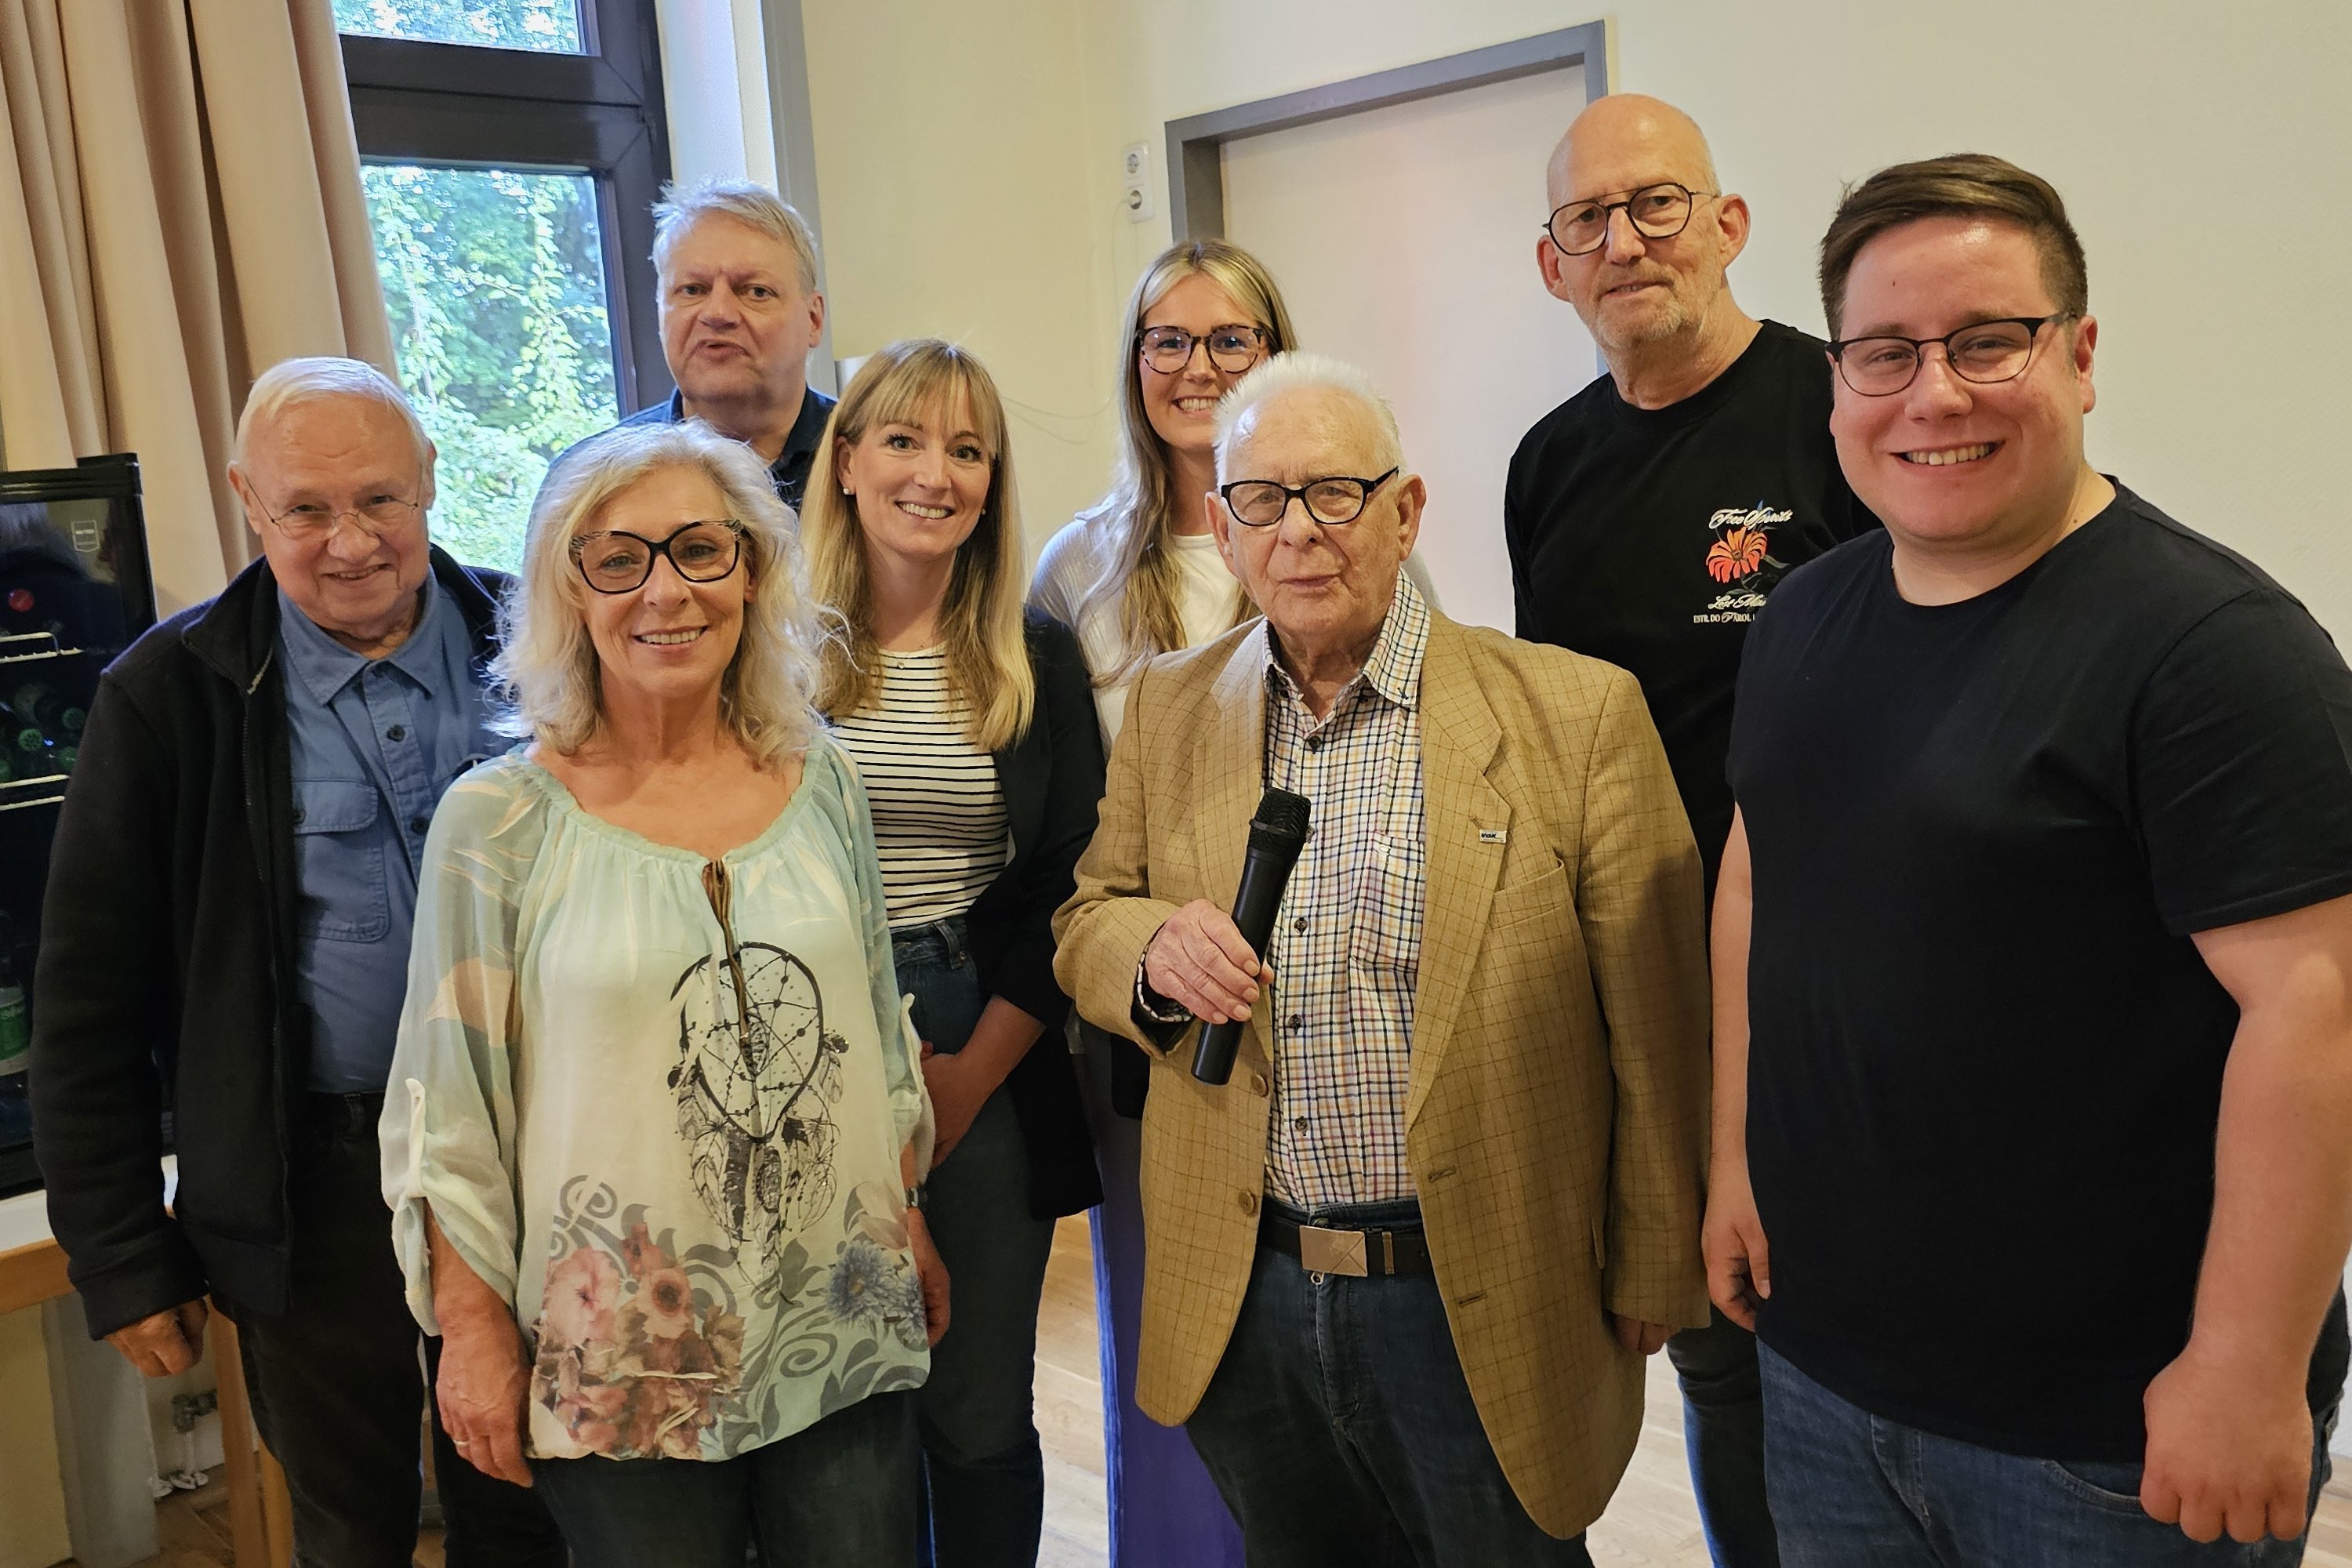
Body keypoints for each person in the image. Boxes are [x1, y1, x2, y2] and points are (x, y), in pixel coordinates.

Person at [1706, 154, 2352, 1566]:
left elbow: (2316, 1016)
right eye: (1885, 353)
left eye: (1988, 340)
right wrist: (1732, 1158)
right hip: (1826, 1373)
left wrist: (2246, 1369)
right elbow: (1760, 879)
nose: (1936, 394)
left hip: (2107, 1433)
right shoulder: (1803, 620)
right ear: (1837, 386)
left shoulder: (2215, 653)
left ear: (2082, 353)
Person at [1054, 351, 1711, 1564]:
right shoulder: (1166, 707)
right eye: (1262, 499)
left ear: (1406, 510)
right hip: (1246, 1288)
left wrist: (1655, 1262)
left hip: (1474, 1290)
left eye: (1336, 492)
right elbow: (1087, 918)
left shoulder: (1575, 715)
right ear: (1223, 526)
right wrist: (1152, 951)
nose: (1300, 531)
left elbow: (1658, 1026)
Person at [379, 419, 948, 1568]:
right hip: (624, 1354)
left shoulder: (820, 770)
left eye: (701, 549)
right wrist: (473, 1331)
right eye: (619, 558)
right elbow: (450, 1110)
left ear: (752, 568)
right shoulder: (495, 824)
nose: (666, 592)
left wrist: (914, 1217)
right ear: (569, 590)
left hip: (837, 1309)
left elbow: (880, 1038)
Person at [29, 357, 564, 1566]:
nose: (350, 543)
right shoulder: (167, 697)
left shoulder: (541, 653)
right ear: (247, 503)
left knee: (532, 1509)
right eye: (306, 510)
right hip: (312, 1185)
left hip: (540, 1165)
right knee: (349, 1524)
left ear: (429, 482)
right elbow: (85, 1008)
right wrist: (120, 1255)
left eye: (379, 500)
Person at [1504, 94, 1878, 1567]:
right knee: (1722, 1342)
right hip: (1649, 981)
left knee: (1844, 1342)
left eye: (1658, 205)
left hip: (1833, 975)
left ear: (1729, 228)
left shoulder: (1838, 408)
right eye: (1588, 220)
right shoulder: (1548, 465)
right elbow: (1563, 741)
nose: (1625, 241)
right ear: (1553, 268)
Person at [1030, 238, 1436, 1568]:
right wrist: (1149, 949)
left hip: (1341, 1023)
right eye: (1169, 339)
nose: (1197, 366)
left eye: (1230, 340)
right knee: (1184, 1333)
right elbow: (1073, 845)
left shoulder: (1374, 550)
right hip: (1163, 1020)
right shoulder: (1077, 573)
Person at [804, 338, 1105, 1565]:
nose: (937, 474)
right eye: (906, 439)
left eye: (968, 450)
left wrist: (968, 1076)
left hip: (983, 1024)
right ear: (848, 458)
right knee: (840, 1406)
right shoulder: (768, 649)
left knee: (976, 1407)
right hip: (806, 1025)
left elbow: (1065, 880)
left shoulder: (1034, 656)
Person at [590, 178, 835, 511]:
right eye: (692, 290)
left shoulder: (879, 466)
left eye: (755, 291)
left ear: (814, 320)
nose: (718, 314)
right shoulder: (592, 482)